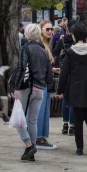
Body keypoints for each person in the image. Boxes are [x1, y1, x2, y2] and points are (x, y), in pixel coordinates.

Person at [57, 23, 87, 155]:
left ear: (74, 36)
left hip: (75, 87)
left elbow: (64, 73)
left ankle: (79, 148)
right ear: (85, 36)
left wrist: (60, 90)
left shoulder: (70, 52)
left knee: (78, 118)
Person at [11, 24, 54, 161]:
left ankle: (29, 145)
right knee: (32, 121)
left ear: (27, 35)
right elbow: (49, 73)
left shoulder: (26, 48)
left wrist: (16, 87)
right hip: (40, 89)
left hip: (27, 88)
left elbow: (22, 68)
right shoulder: (43, 50)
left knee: (18, 120)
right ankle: (31, 150)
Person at [35, 20, 58, 150]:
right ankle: (38, 138)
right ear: (41, 30)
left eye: (51, 29)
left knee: (44, 110)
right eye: (47, 29)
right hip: (40, 82)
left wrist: (52, 70)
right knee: (40, 110)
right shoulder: (40, 45)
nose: (50, 32)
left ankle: (42, 137)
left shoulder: (46, 45)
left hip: (45, 81)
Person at [54, 20, 76, 136]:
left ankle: (65, 124)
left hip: (63, 71)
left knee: (65, 99)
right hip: (74, 73)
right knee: (72, 100)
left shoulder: (63, 39)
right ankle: (72, 126)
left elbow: (55, 52)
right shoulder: (77, 41)